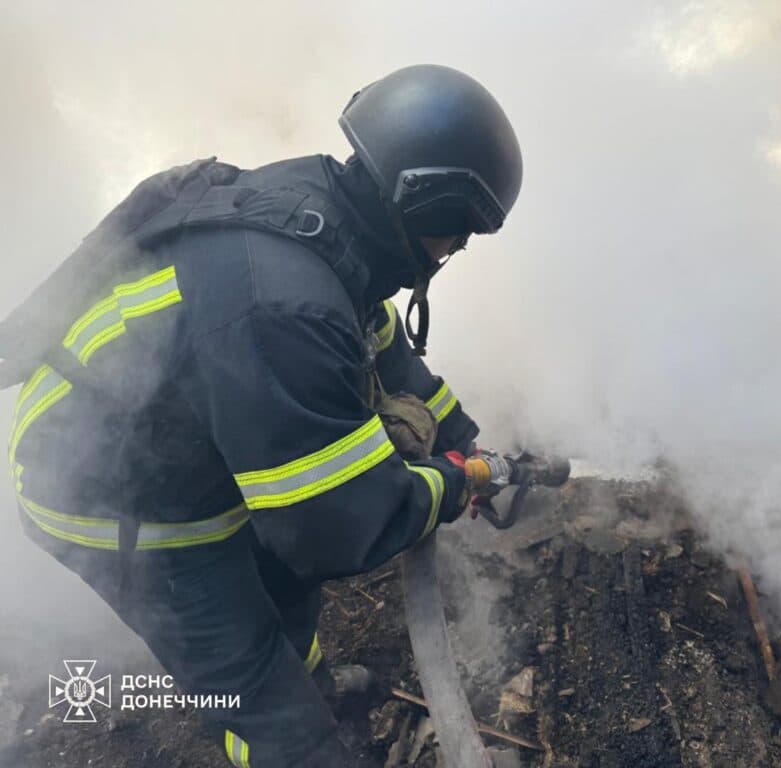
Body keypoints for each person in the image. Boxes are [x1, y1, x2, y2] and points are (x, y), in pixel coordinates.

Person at [3, 64, 522, 767]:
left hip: (195, 441)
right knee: (259, 696)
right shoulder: (282, 307)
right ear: (421, 203)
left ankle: (305, 682)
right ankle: (282, 733)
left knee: (283, 583)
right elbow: (334, 523)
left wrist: (461, 439)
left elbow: (376, 337)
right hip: (122, 498)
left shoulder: (335, 219)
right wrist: (457, 483)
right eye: (456, 233)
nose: (455, 250)